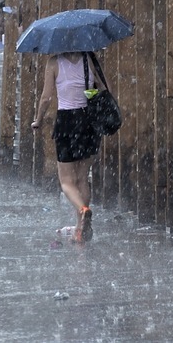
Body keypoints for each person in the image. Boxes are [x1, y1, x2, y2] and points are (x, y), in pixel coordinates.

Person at [31, 51, 105, 243]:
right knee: (82, 178)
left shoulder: (54, 62)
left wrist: (38, 120)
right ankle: (80, 228)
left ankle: (83, 211)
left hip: (67, 122)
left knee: (66, 182)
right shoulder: (88, 58)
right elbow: (104, 88)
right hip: (88, 122)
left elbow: (46, 98)